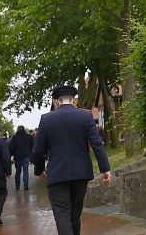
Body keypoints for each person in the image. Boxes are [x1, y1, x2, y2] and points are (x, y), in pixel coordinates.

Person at [33, 85, 112, 235]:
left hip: (57, 175)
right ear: (74, 100)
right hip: (80, 173)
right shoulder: (85, 116)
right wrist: (105, 169)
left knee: (62, 215)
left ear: (57, 101)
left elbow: (38, 150)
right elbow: (97, 144)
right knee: (75, 214)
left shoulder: (46, 119)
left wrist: (39, 170)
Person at [8, 125, 34, 191]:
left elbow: (11, 147)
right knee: (26, 171)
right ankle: (26, 186)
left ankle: (17, 186)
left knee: (18, 172)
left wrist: (13, 154)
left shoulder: (14, 137)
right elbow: (32, 146)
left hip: (17, 157)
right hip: (26, 156)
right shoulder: (29, 137)